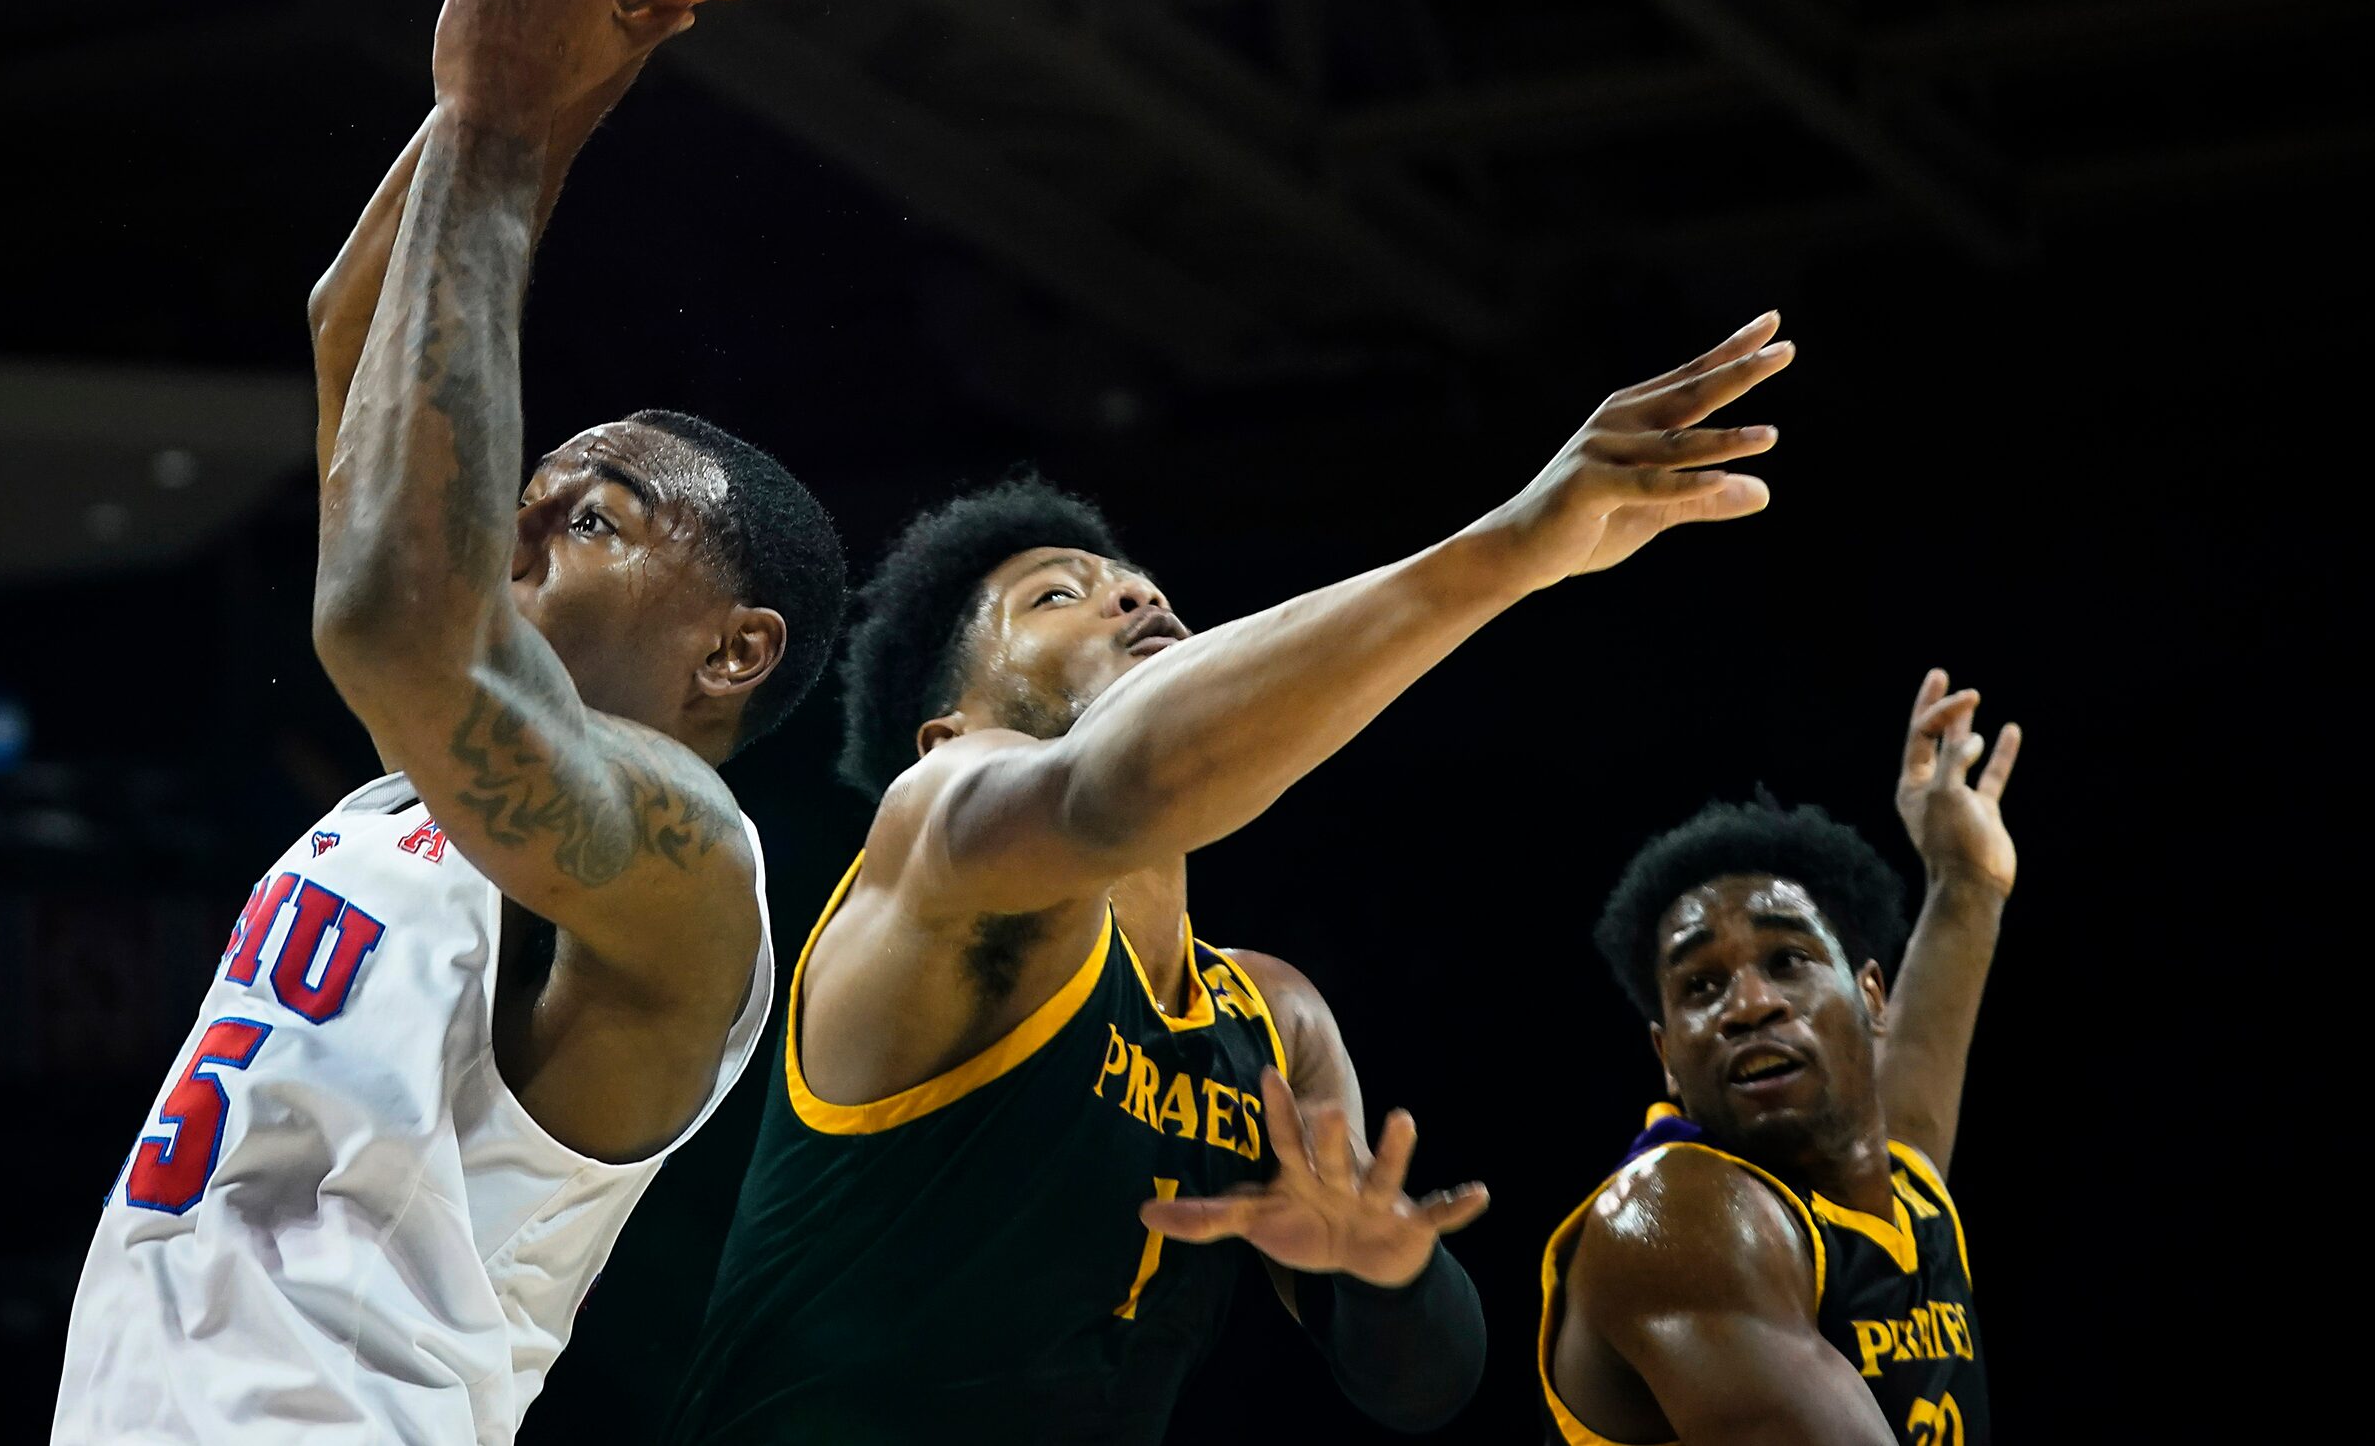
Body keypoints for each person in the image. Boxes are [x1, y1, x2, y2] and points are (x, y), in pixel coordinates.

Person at [53, 0, 846, 1444]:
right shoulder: (414, 786)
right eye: (534, 469)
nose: (534, 496)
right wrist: (552, 66)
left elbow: (390, 616)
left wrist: (500, 122)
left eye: (607, 503)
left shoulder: (690, 865)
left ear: (736, 646)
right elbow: (364, 332)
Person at [663, 317, 1797, 1444]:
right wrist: (1516, 547)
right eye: (1057, 596)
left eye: (1138, 584)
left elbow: (1420, 1386)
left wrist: (1381, 1267)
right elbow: (1120, 787)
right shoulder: (938, 834)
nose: (1131, 596)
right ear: (943, 730)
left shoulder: (1273, 1014)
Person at [1538, 671, 2018, 1446]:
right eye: (1701, 984)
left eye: (1788, 960)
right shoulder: (1674, 1218)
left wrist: (1965, 880)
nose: (1750, 1003)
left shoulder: (1898, 1197)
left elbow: (1914, 1095)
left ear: (1871, 998)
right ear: (1665, 1056)